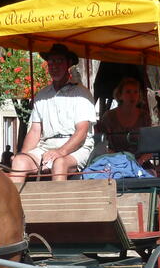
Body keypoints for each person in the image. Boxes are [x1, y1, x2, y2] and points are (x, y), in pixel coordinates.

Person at [9, 43, 97, 183]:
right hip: (46, 146)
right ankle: (14, 204)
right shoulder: (42, 95)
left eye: (59, 61)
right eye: (51, 62)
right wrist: (24, 154)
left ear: (68, 64)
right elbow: (35, 131)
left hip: (76, 148)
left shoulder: (81, 93)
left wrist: (60, 152)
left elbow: (81, 132)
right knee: (19, 162)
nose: (54, 66)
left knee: (59, 163)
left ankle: (59, 204)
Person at [95, 77, 149, 153]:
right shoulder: (109, 117)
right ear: (120, 95)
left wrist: (140, 161)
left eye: (136, 92)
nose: (132, 96)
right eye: (128, 92)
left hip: (139, 161)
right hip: (114, 160)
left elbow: (150, 145)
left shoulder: (144, 116)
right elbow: (102, 143)